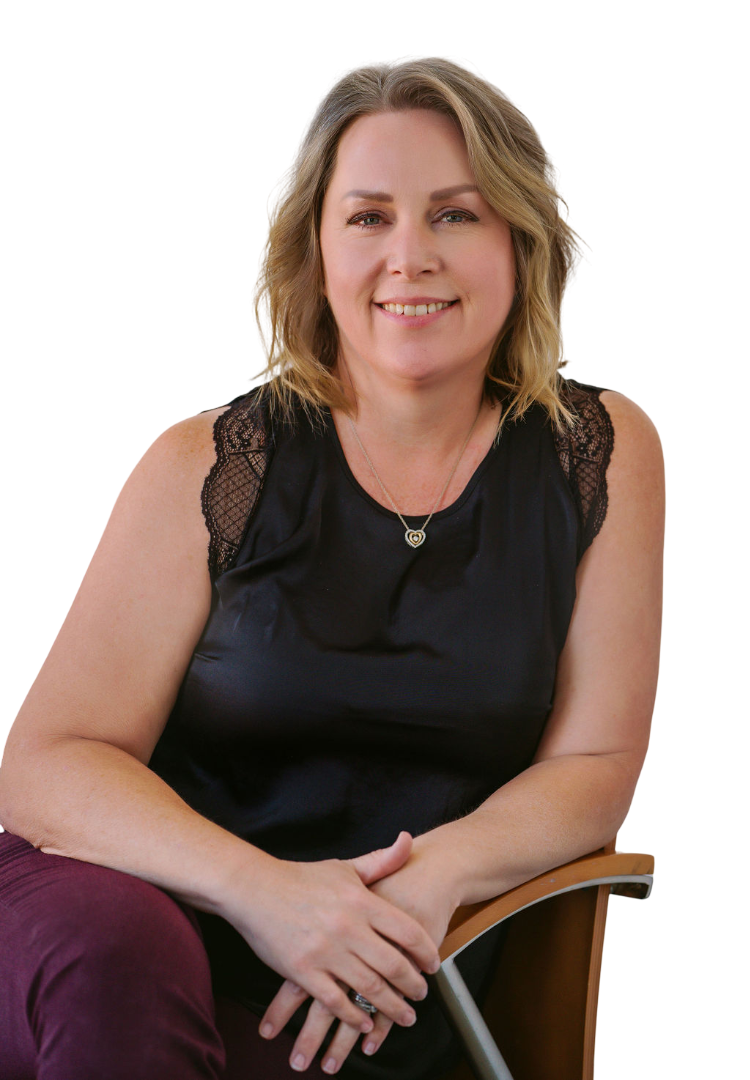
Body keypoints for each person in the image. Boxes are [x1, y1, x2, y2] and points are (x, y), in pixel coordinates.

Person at [0, 53, 664, 1080]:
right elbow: (45, 761)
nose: (411, 256)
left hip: (375, 965)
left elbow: (594, 766)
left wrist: (427, 882)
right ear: (314, 251)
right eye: (368, 218)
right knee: (120, 959)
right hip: (138, 911)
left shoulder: (601, 451)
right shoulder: (205, 463)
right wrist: (264, 893)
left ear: (521, 241)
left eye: (456, 214)